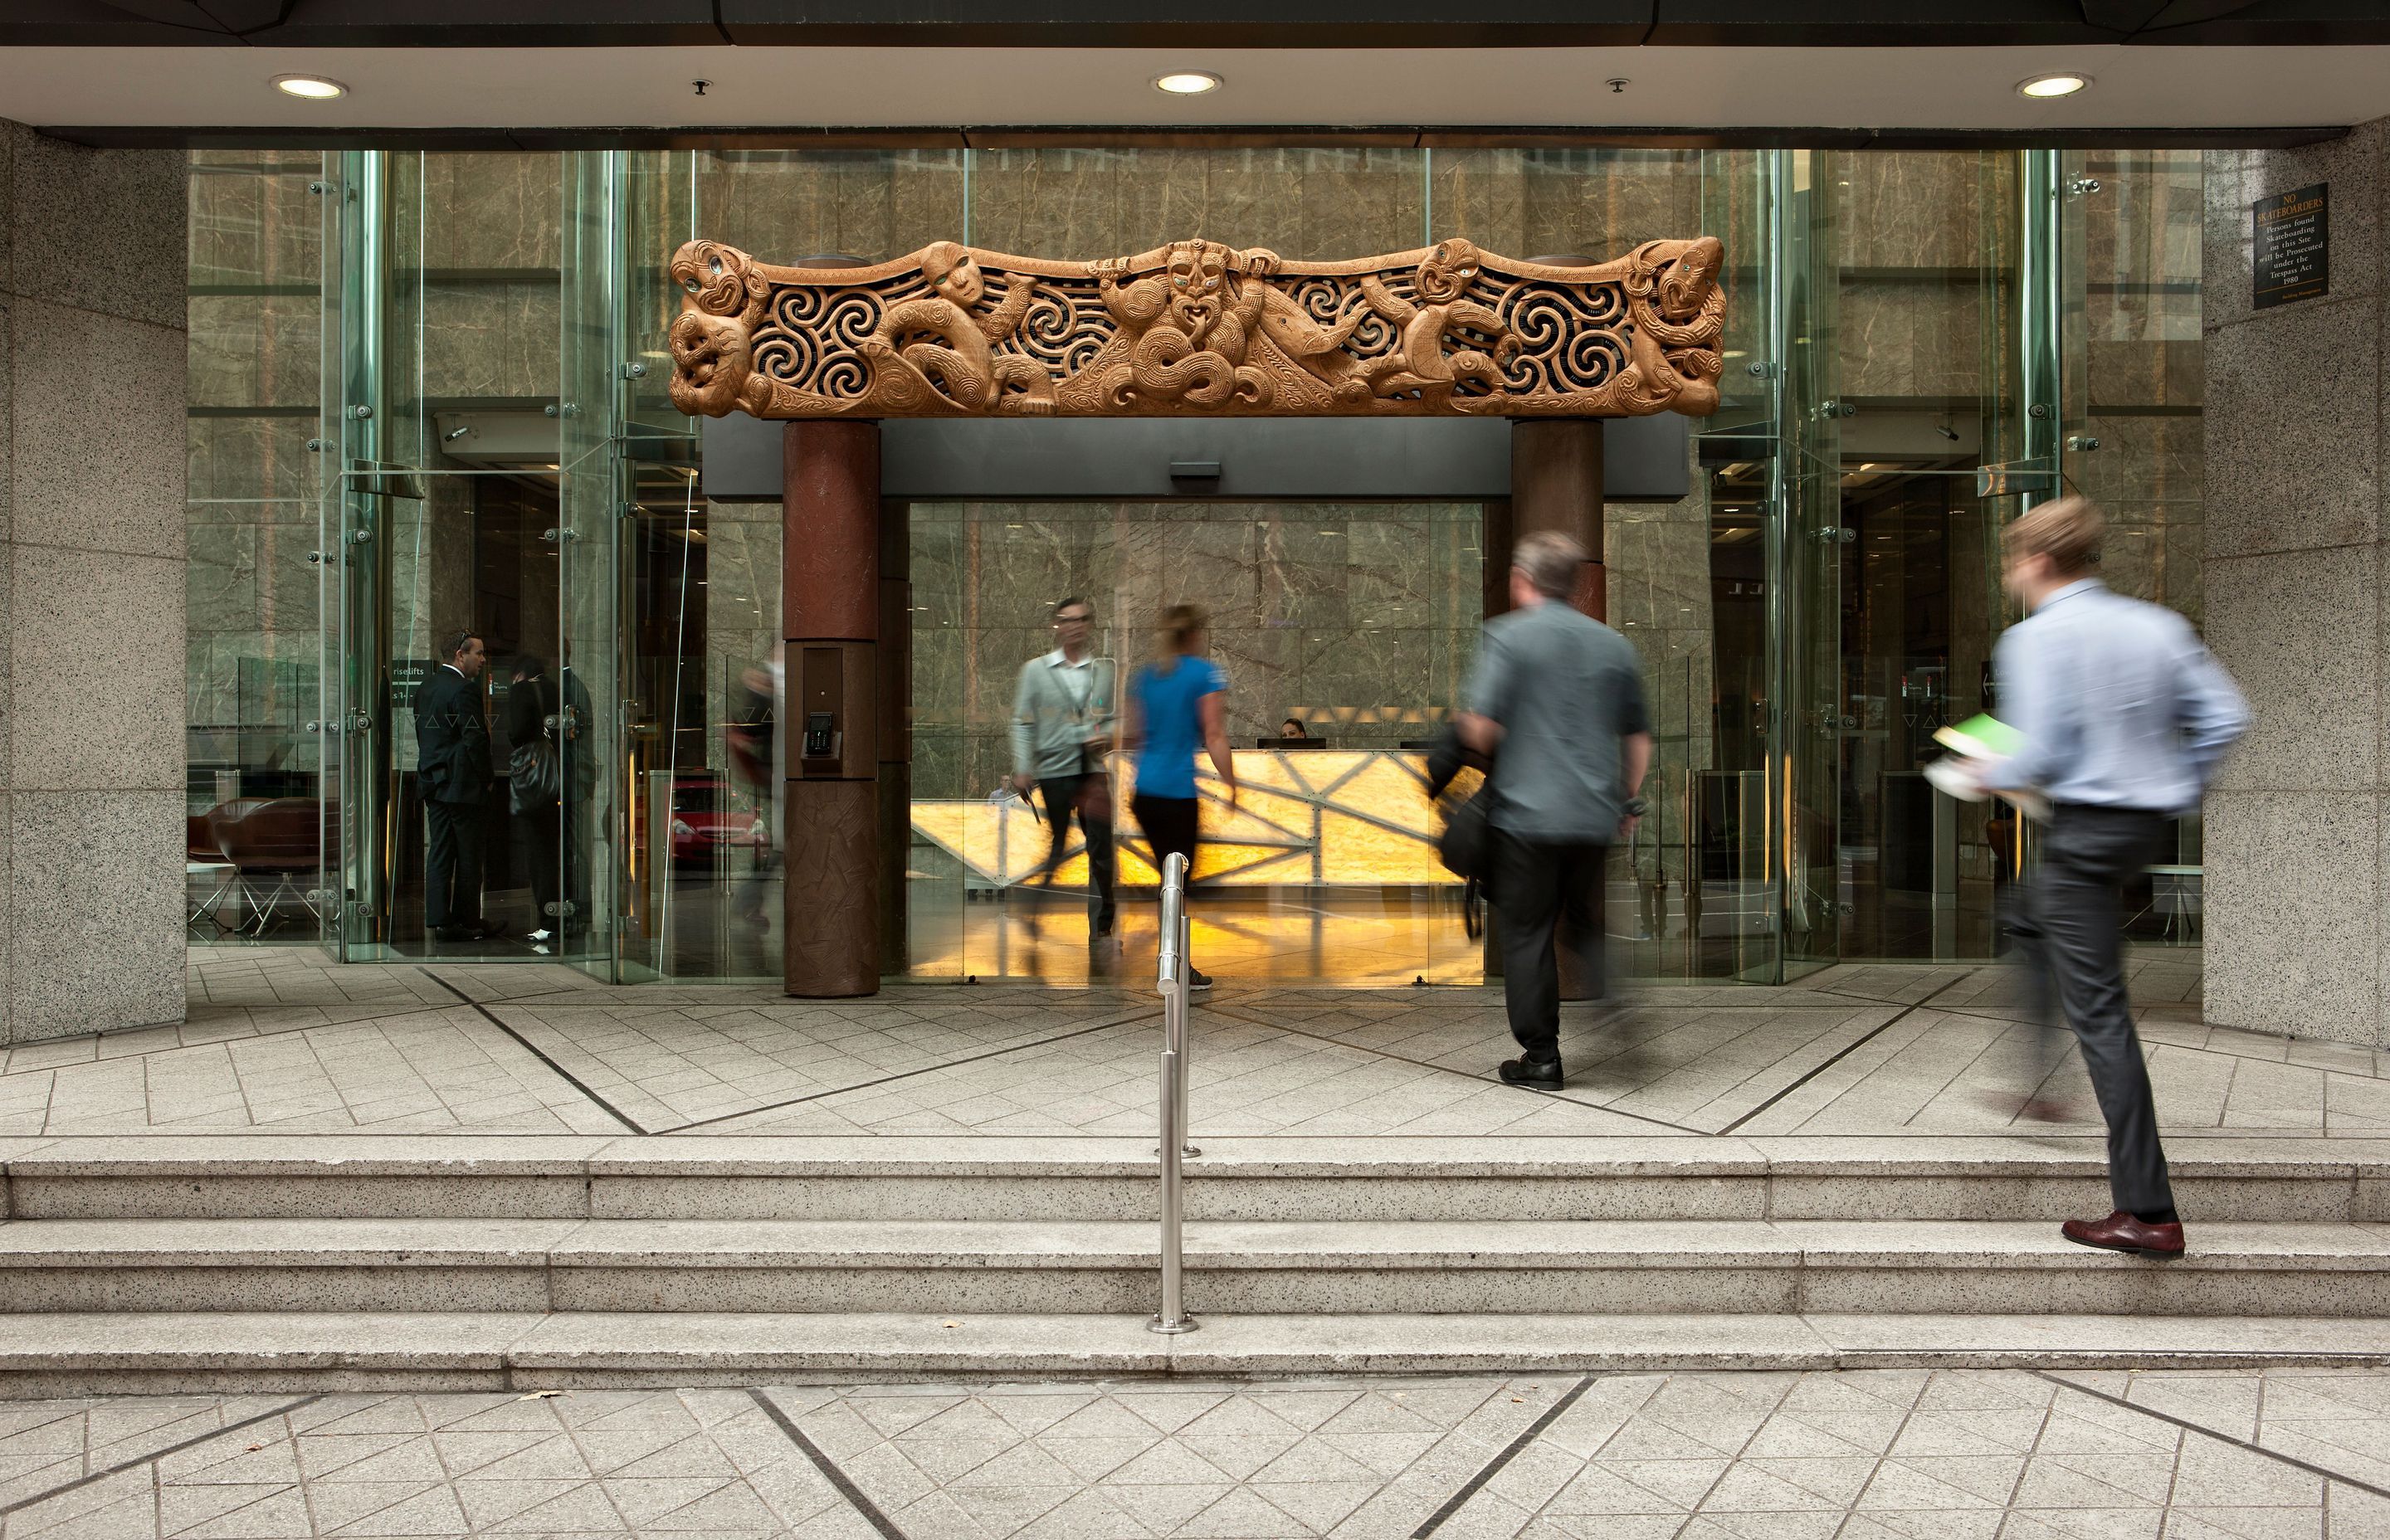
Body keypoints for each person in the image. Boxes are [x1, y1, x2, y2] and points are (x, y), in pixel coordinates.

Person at [1972, 496, 2246, 1260]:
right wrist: (2173, 784)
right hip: (2138, 830)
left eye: (2012, 561)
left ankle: (2147, 1210)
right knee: (2028, 913)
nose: (2010, 575)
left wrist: (1983, 767)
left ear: (2037, 561)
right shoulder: (2159, 627)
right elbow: (2226, 716)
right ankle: (2036, 1073)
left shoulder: (2031, 640)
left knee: (2102, 1017)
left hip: (2086, 831)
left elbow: (2036, 755)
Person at [1456, 531, 1651, 1089]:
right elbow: (1637, 737)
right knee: (1585, 923)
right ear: (1576, 583)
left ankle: (1542, 1056)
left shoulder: (1509, 638)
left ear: (1523, 581)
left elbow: (1485, 729)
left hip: (1527, 817)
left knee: (1528, 934)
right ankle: (1612, 998)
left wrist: (1462, 731)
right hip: (1592, 816)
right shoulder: (1614, 646)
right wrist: (1626, 798)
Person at [1125, 603, 1236, 990]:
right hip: (1176, 794)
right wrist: (1232, 783)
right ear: (1193, 635)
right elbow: (1214, 735)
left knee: (1168, 881)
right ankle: (1173, 964)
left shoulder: (1144, 679)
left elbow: (1134, 736)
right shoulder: (1204, 674)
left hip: (1145, 794)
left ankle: (1169, 959)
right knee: (1179, 884)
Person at [1009, 598, 1119, 940]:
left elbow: (1109, 718)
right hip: (1055, 770)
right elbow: (1022, 722)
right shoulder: (1036, 671)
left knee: (1101, 848)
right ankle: (1035, 910)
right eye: (1067, 620)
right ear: (1057, 625)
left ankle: (1104, 921)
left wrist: (1107, 738)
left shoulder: (1102, 670)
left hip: (1092, 770)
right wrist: (1023, 767)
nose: (1075, 626)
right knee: (1057, 846)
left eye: (1082, 619)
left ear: (1089, 625)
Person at [415, 630, 506, 944]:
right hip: (463, 787)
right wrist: (487, 778)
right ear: (459, 654)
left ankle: (441, 920)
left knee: (439, 853)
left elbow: (427, 738)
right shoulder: (464, 690)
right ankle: (467, 920)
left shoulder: (426, 687)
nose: (482, 660)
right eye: (478, 654)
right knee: (469, 857)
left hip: (433, 783)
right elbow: (474, 740)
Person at [503, 654, 563, 951]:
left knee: (538, 851)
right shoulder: (556, 689)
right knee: (556, 849)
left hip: (534, 780)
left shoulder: (522, 690)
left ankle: (547, 919)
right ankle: (562, 914)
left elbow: (516, 733)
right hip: (558, 778)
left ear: (519, 674)